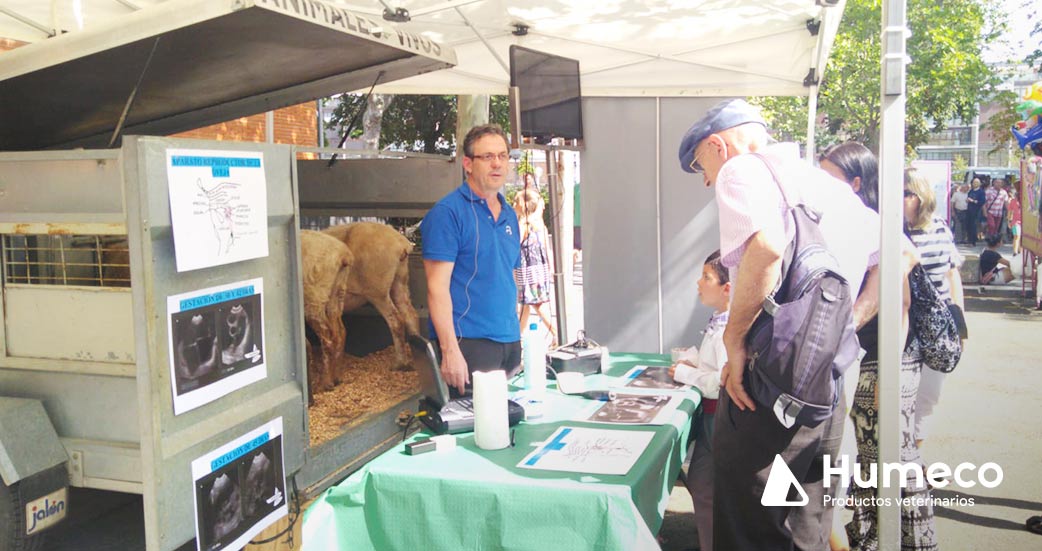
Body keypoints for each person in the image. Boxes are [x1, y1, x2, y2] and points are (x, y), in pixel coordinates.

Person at [678, 99, 883, 551]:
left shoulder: (740, 169)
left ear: (717, 145)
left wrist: (734, 340)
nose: (707, 178)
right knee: (806, 520)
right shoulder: (820, 181)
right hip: (827, 383)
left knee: (751, 523)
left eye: (701, 165)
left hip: (770, 383)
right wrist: (847, 321)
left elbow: (767, 247)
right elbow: (897, 257)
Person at [822, 144, 937, 551]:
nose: (821, 184)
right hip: (870, 359)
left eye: (829, 175)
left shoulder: (881, 227)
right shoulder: (854, 223)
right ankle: (872, 537)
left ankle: (911, 541)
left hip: (886, 361)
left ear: (855, 182)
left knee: (890, 458)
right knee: (871, 462)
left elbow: (900, 302)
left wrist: (889, 368)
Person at [420, 124, 522, 395]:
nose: (497, 163)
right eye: (487, 157)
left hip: (510, 341)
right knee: (476, 431)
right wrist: (449, 351)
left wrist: (520, 333)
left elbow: (509, 276)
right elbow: (436, 288)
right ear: (468, 163)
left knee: (511, 429)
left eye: (502, 156)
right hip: (470, 344)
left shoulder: (510, 214)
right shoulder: (447, 213)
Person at [669, 250, 730, 551]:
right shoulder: (720, 321)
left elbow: (721, 382)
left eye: (707, 278)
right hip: (712, 422)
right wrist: (693, 360)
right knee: (702, 485)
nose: (699, 283)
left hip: (720, 421)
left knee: (707, 487)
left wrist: (685, 373)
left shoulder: (729, 328)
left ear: (727, 288)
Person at [904, 169, 966, 449]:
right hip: (902, 324)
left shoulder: (940, 227)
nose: (902, 200)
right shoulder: (890, 230)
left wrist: (959, 324)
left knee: (929, 395)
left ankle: (915, 453)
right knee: (900, 395)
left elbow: (952, 275)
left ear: (922, 196)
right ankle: (898, 459)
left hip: (938, 325)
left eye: (907, 194)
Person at [513, 183, 557, 345]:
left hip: (527, 270)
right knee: (527, 304)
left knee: (534, 303)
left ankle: (555, 333)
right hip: (540, 268)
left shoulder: (524, 224)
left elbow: (515, 243)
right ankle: (517, 337)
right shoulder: (539, 225)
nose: (513, 205)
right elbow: (546, 247)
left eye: (516, 201)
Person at [966, 178, 985, 245]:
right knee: (969, 225)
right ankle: (969, 240)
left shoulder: (981, 192)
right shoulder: (971, 191)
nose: (975, 184)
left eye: (977, 182)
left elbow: (982, 202)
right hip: (969, 211)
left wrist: (973, 201)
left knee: (974, 226)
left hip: (977, 211)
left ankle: (973, 241)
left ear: (979, 184)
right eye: (974, 182)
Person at [1009, 188, 1023, 256]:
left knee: (1022, 237)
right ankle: (1015, 252)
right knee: (1016, 236)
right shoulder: (1013, 201)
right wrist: (1009, 221)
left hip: (1024, 222)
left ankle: (1020, 250)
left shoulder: (1025, 201)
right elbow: (1010, 212)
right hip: (1015, 222)